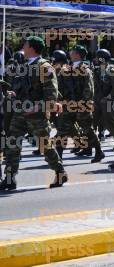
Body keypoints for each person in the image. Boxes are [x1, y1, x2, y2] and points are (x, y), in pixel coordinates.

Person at [1, 36, 67, 191]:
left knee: (45, 146)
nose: (23, 46)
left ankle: (60, 172)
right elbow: (21, 89)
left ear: (31, 48)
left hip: (36, 114)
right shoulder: (24, 65)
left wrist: (37, 108)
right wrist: (12, 93)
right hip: (20, 111)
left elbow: (51, 95)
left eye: (25, 44)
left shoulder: (45, 67)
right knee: (12, 143)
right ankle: (10, 178)